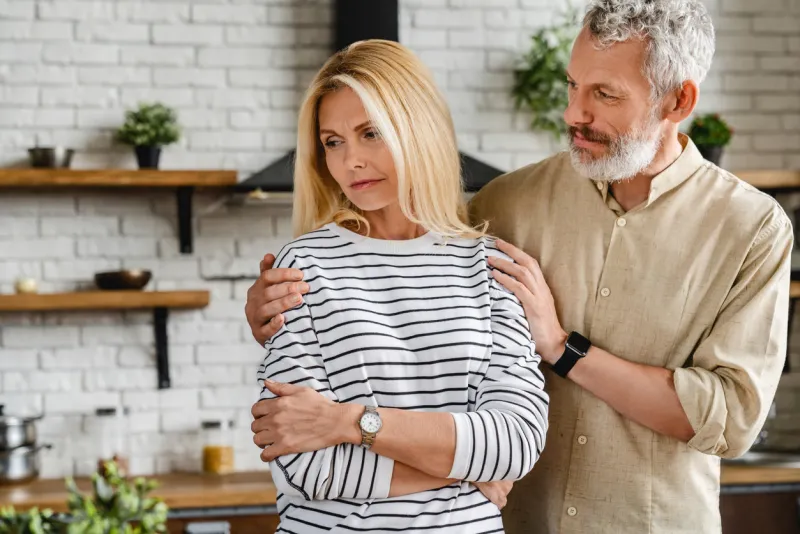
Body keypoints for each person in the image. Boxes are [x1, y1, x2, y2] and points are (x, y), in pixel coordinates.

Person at [246, 1, 793, 533]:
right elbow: (403, 251)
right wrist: (269, 310)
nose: (574, 113)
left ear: (678, 101)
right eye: (572, 87)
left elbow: (732, 416)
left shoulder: (750, 228)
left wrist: (560, 347)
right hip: (516, 517)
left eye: (604, 94)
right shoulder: (507, 204)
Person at [250, 39, 549, 533]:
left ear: (418, 128)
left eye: (371, 133)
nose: (352, 162)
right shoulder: (302, 269)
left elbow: (516, 443)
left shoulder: (489, 266)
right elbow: (306, 468)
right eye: (333, 141)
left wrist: (350, 423)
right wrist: (466, 470)